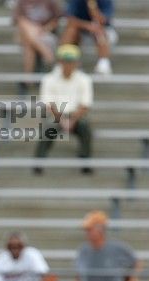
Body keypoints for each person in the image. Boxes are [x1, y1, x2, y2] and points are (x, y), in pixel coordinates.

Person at [34, 44, 93, 173]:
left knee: (85, 127)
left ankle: (85, 161)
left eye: (71, 61)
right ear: (60, 62)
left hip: (76, 115)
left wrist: (72, 120)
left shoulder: (84, 79)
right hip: (56, 115)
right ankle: (39, 162)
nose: (69, 65)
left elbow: (85, 105)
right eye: (66, 61)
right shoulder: (49, 79)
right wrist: (62, 120)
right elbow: (48, 104)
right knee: (48, 127)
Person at [60, 0, 115, 75]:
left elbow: (102, 21)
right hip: (81, 27)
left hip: (102, 29)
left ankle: (103, 63)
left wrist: (92, 6)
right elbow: (70, 19)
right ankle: (64, 61)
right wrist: (88, 26)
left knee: (100, 32)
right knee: (70, 31)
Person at [13, 0, 61, 74]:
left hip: (45, 34)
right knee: (23, 24)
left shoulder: (51, 2)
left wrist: (44, 30)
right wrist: (34, 29)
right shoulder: (21, 2)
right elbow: (18, 21)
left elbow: (56, 20)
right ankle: (48, 57)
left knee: (28, 44)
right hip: (26, 34)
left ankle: (27, 79)